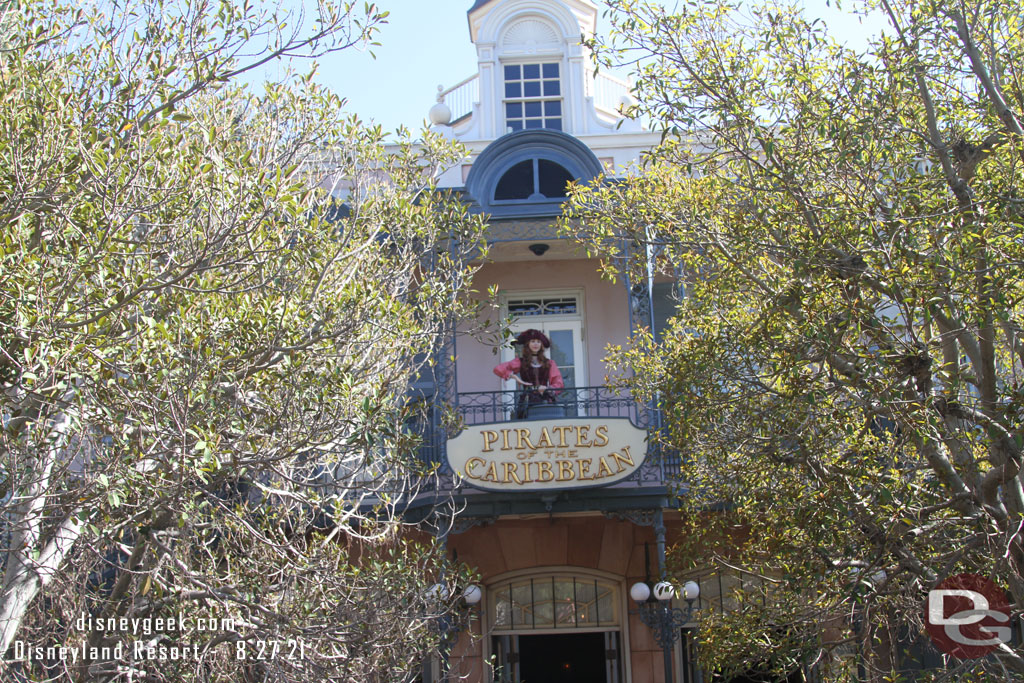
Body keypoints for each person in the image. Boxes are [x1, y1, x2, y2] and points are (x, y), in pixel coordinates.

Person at [493, 329, 564, 418]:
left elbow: (559, 383)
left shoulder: (549, 363)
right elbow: (498, 369)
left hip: (546, 399)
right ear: (528, 344)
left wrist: (547, 388)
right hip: (527, 401)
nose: (536, 344)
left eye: (538, 342)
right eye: (533, 341)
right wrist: (514, 377)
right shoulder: (520, 362)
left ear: (541, 344)